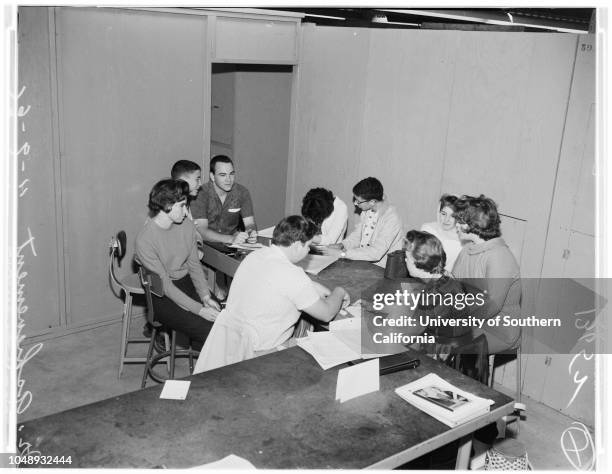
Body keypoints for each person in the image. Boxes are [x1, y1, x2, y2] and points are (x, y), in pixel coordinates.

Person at [194, 215, 349, 373]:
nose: (309, 250)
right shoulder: (293, 275)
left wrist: (311, 285)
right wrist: (340, 291)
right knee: (319, 349)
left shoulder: (255, 256)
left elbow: (276, 282)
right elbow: (326, 314)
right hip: (261, 352)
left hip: (229, 344)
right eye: (308, 245)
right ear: (296, 245)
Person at [135, 179, 221, 350]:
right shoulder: (145, 240)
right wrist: (199, 310)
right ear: (167, 205)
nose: (186, 210)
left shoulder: (186, 225)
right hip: (161, 295)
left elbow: (194, 265)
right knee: (211, 331)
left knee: (224, 322)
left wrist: (205, 296)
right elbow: (165, 285)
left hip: (185, 282)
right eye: (182, 205)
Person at [452, 194, 522, 353]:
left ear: (474, 224)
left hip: (498, 330)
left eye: (460, 221)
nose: (456, 225)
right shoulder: (467, 249)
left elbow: (492, 305)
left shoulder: (500, 256)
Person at [325, 177, 403, 267]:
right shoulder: (366, 211)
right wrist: (342, 245)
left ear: (372, 202)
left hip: (383, 269)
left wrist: (343, 254)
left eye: (358, 201)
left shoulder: (392, 219)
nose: (355, 203)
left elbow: (376, 253)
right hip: (364, 264)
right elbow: (358, 236)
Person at [190, 155, 257, 245]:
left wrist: (251, 232)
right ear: (212, 176)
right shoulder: (200, 193)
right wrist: (230, 239)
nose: (228, 179)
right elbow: (201, 230)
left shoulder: (242, 192)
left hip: (233, 245)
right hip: (206, 246)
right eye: (223, 175)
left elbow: (249, 223)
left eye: (231, 174)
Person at [420, 194, 463, 272]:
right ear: (438, 212)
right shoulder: (428, 229)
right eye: (443, 214)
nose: (446, 220)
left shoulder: (461, 242)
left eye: (452, 216)